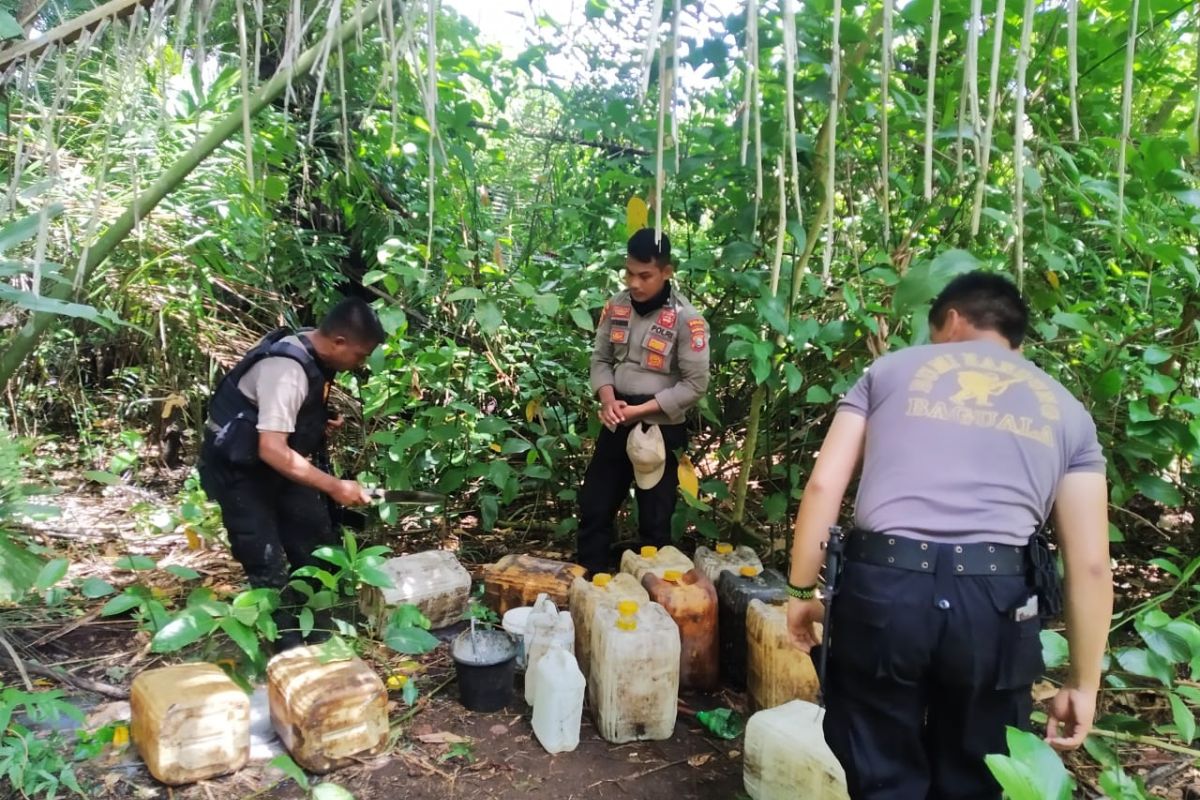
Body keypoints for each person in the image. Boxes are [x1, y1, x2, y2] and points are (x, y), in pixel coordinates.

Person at [785, 271, 1112, 799]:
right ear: (1015, 339)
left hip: (883, 594)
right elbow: (1091, 564)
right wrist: (1082, 683)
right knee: (976, 775)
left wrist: (802, 591)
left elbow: (824, 484)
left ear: (952, 320)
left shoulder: (888, 371)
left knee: (880, 766)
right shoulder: (1067, 411)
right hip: (997, 607)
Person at [198, 296, 385, 651]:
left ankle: (325, 635)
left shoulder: (316, 352)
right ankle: (288, 653)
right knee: (267, 565)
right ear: (339, 342)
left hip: (283, 465)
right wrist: (334, 486)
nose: (361, 364)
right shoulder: (286, 370)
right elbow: (271, 447)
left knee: (316, 544)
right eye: (360, 355)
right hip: (242, 472)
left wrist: (317, 424)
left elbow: (286, 419)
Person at [577, 228, 711, 576]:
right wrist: (608, 399)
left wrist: (640, 410)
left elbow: (696, 384)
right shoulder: (617, 306)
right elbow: (601, 359)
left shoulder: (687, 318)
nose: (635, 283)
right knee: (595, 503)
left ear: (667, 272)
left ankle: (656, 595)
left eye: (645, 275)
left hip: (658, 426)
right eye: (629, 274)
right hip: (616, 417)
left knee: (654, 515)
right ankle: (590, 580)